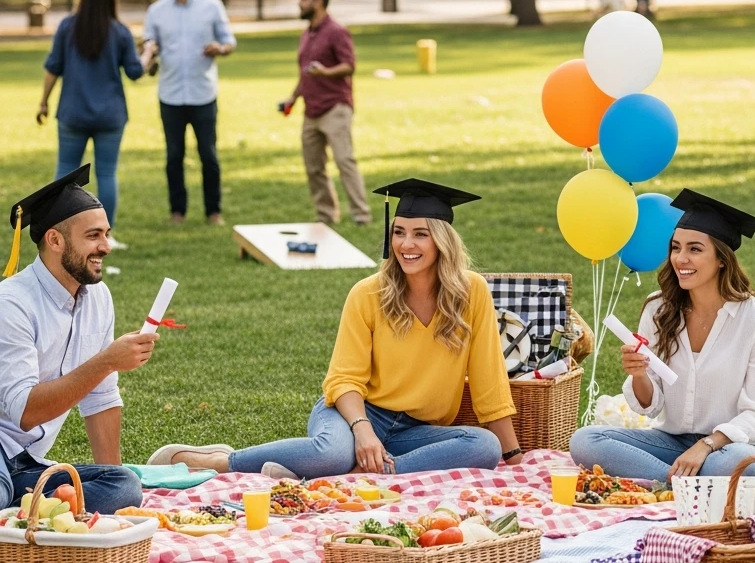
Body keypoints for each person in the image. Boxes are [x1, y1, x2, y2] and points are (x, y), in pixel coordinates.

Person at [147, 178, 521, 478]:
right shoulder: (368, 293)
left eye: (421, 234)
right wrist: (363, 432)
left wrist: (514, 456)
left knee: (482, 447)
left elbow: (489, 378)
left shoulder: (471, 292)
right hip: (353, 412)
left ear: (442, 242)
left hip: (416, 430)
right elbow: (343, 379)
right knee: (331, 452)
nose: (406, 244)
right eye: (399, 232)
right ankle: (221, 461)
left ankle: (361, 474)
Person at [570, 189, 755, 480]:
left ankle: (668, 482)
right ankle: (680, 487)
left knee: (750, 467)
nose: (680, 258)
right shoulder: (659, 309)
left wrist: (707, 445)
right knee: (586, 440)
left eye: (694, 249)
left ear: (721, 258)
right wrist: (639, 374)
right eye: (676, 247)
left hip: (734, 447)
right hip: (674, 444)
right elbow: (651, 406)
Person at [0, 167, 156, 514]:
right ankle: (24, 511)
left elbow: (100, 400)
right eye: (94, 235)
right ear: (55, 241)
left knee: (123, 486)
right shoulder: (11, 304)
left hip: (28, 466)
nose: (106, 246)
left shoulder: (98, 299)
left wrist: (119, 506)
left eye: (107, 234)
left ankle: (22, 513)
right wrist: (106, 361)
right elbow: (25, 411)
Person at [37, 0, 151, 247]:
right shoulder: (120, 31)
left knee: (65, 172)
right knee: (107, 173)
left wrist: (43, 101)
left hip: (73, 112)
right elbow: (136, 71)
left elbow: (53, 68)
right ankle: (104, 239)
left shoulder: (67, 27)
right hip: (110, 115)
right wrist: (148, 51)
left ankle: (57, 234)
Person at [142, 0, 235, 226]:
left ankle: (213, 211)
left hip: (203, 93)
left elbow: (229, 41)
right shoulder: (156, 11)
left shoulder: (212, 6)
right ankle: (177, 212)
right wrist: (150, 53)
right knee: (173, 156)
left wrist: (220, 48)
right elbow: (148, 50)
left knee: (209, 155)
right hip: (170, 94)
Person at [280, 0, 371, 226]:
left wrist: (325, 72)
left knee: (344, 161)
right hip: (311, 109)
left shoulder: (336, 31)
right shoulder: (307, 33)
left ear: (317, 2)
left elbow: (349, 65)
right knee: (314, 166)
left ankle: (361, 214)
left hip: (335, 107)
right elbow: (306, 73)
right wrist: (293, 97)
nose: (299, 3)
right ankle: (326, 215)